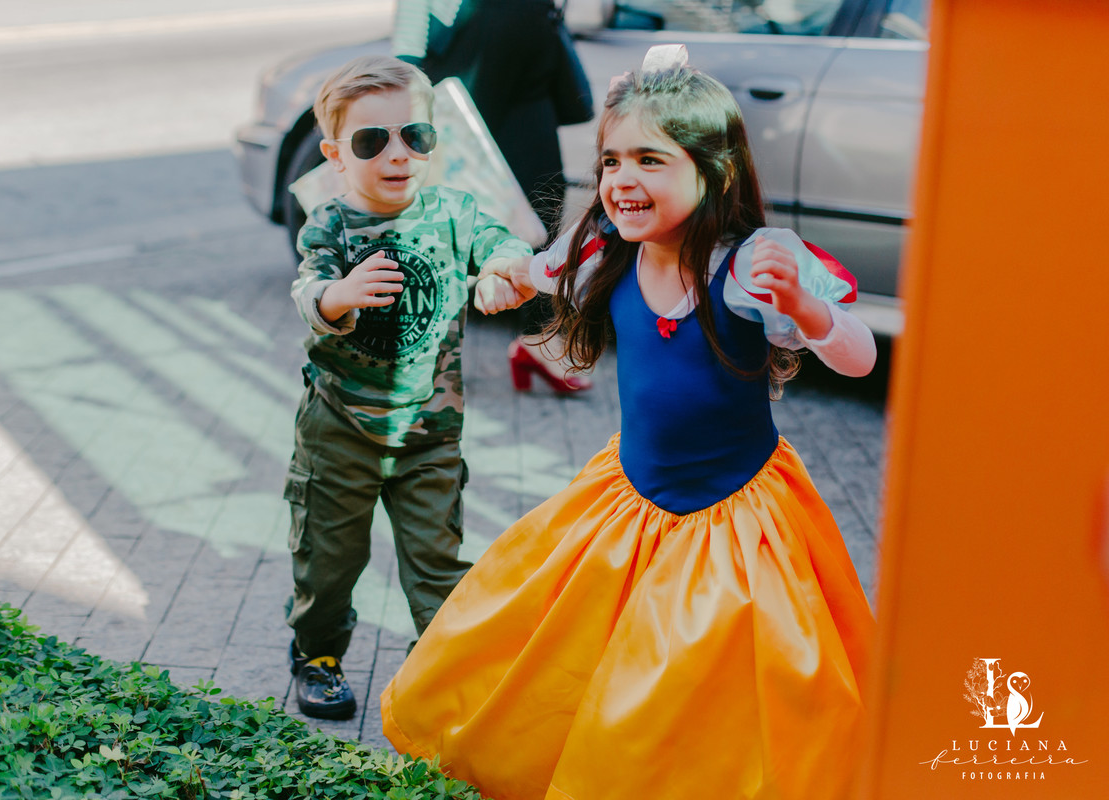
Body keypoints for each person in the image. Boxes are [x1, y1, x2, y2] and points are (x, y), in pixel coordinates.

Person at [379, 46, 878, 799]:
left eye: (651, 159)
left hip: (736, 518)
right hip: (631, 499)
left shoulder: (749, 266)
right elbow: (530, 272)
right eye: (611, 161)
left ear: (716, 173)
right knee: (569, 642)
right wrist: (501, 283)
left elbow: (861, 358)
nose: (621, 179)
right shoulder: (604, 251)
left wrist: (807, 310)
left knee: (718, 668)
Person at [284, 54, 533, 721]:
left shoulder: (454, 213)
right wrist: (340, 294)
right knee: (327, 561)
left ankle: (442, 666)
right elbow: (308, 291)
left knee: (438, 563)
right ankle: (317, 654)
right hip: (339, 430)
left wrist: (504, 270)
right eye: (372, 141)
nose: (398, 154)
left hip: (430, 434)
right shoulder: (331, 224)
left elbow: (503, 243)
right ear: (336, 155)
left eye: (415, 136)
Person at [393, 0, 596, 393]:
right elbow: (410, 37)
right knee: (444, 224)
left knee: (542, 213)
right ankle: (424, 348)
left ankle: (539, 341)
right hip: (463, 91)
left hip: (528, 84)